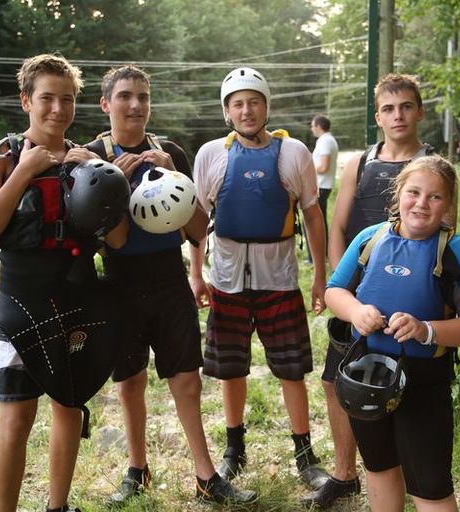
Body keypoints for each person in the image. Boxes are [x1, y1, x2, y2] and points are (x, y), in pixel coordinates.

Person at [83, 65, 257, 506]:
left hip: (168, 276)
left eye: (143, 95)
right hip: (119, 281)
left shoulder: (172, 151)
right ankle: (137, 470)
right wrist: (117, 181)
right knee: (131, 381)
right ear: (106, 104)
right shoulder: (91, 156)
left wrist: (176, 178)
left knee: (187, 380)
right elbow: (109, 240)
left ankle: (206, 476)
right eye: (125, 96)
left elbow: (199, 229)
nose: (136, 104)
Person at [0, 53, 117, 512]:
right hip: (22, 302)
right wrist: (25, 172)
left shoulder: (87, 159)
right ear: (26, 100)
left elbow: (118, 233)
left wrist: (101, 172)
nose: (57, 109)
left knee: (69, 404)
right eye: (47, 98)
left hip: (76, 296)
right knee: (16, 416)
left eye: (67, 99)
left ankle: (59, 506)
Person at [188, 67, 331, 491]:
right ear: (227, 112)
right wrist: (196, 274)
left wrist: (320, 275)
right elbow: (196, 222)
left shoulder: (295, 153)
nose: (246, 110)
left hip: (280, 280)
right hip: (227, 281)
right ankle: (234, 449)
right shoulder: (210, 154)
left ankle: (304, 453)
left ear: (266, 106)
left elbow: (312, 214)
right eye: (237, 104)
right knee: (231, 370)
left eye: (254, 101)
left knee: (291, 370)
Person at [307, 73, 436, 508]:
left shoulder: (434, 167)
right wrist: (345, 287)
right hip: (357, 301)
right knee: (335, 381)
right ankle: (345, 474)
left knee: (402, 388)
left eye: (405, 107)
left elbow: (443, 237)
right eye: (388, 108)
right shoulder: (359, 163)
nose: (397, 116)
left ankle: (400, 472)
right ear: (377, 115)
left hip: (409, 308)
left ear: (419, 111)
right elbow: (339, 225)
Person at [325, 155, 460, 512]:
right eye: (414, 192)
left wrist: (426, 330)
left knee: (430, 484)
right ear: (398, 194)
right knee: (379, 467)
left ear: (449, 204)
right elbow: (335, 290)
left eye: (435, 197)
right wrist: (356, 311)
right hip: (365, 376)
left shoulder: (456, 253)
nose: (422, 203)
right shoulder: (370, 238)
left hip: (424, 382)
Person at [302, 114, 338, 261]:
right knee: (320, 221)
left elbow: (323, 167)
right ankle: (323, 254)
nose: (311, 129)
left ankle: (313, 258)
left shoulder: (325, 141)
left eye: (312, 126)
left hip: (320, 186)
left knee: (311, 222)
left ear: (318, 126)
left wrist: (305, 168)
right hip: (324, 185)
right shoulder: (328, 140)